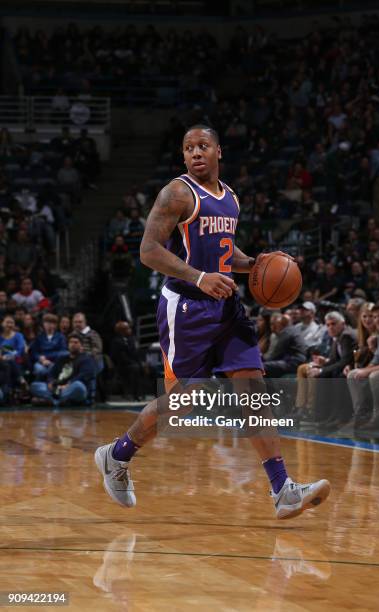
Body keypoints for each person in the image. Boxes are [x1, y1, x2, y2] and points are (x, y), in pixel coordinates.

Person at [95, 125, 330, 519]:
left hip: (225, 307)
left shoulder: (231, 199)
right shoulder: (176, 193)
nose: (195, 153)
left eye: (203, 146)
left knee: (252, 390)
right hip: (186, 308)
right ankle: (116, 455)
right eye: (188, 148)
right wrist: (199, 277)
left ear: (219, 151)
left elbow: (222, 249)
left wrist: (253, 264)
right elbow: (149, 251)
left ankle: (283, 489)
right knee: (183, 403)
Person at [30, 332, 96, 406]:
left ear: (81, 346)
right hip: (58, 389)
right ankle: (59, 401)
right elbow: (51, 373)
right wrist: (50, 382)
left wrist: (68, 384)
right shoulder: (62, 358)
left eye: (76, 342)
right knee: (34, 386)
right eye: (71, 342)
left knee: (78, 386)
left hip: (72, 388)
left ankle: (53, 401)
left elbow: (84, 376)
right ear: (68, 345)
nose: (73, 344)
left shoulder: (87, 359)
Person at [30, 313, 69, 379]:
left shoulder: (60, 337)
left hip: (56, 362)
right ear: (43, 324)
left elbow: (64, 352)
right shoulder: (39, 337)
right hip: (42, 363)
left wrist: (46, 357)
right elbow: (34, 352)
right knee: (40, 370)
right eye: (46, 322)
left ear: (55, 325)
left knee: (54, 368)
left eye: (51, 323)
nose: (49, 325)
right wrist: (40, 359)